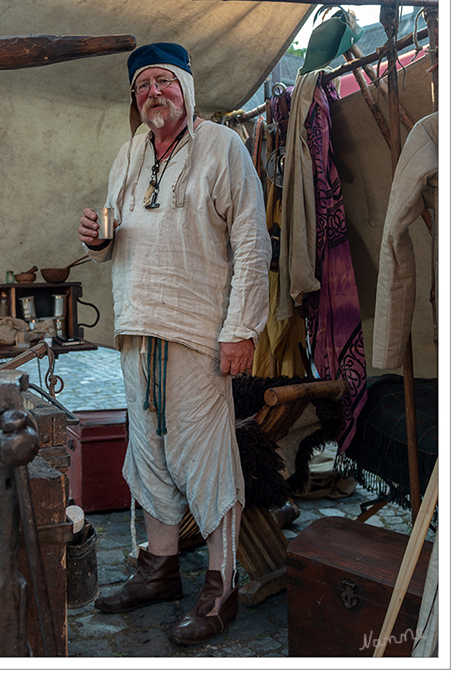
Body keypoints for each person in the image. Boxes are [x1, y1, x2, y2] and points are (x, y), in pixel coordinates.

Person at [78, 42, 271, 645]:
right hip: (138, 327)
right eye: (142, 87)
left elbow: (252, 241)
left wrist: (241, 329)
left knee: (205, 457)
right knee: (150, 453)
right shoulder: (131, 151)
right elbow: (118, 228)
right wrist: (97, 239)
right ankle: (159, 570)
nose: (152, 94)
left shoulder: (222, 147)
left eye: (163, 82)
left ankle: (222, 586)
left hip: (197, 332)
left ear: (185, 88)